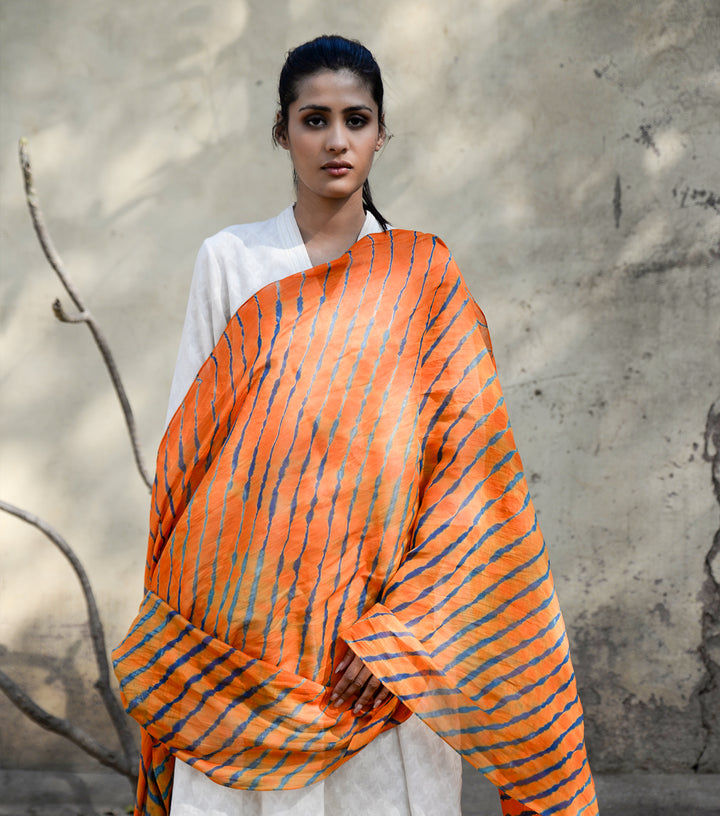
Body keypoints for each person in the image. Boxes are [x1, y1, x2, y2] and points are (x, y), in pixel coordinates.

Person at [113, 35, 598, 816]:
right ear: (282, 132)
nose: (336, 141)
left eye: (356, 119)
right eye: (314, 119)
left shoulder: (421, 281)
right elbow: (190, 456)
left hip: (371, 651)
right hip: (243, 639)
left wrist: (401, 634)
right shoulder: (231, 260)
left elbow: (468, 479)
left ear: (381, 133)